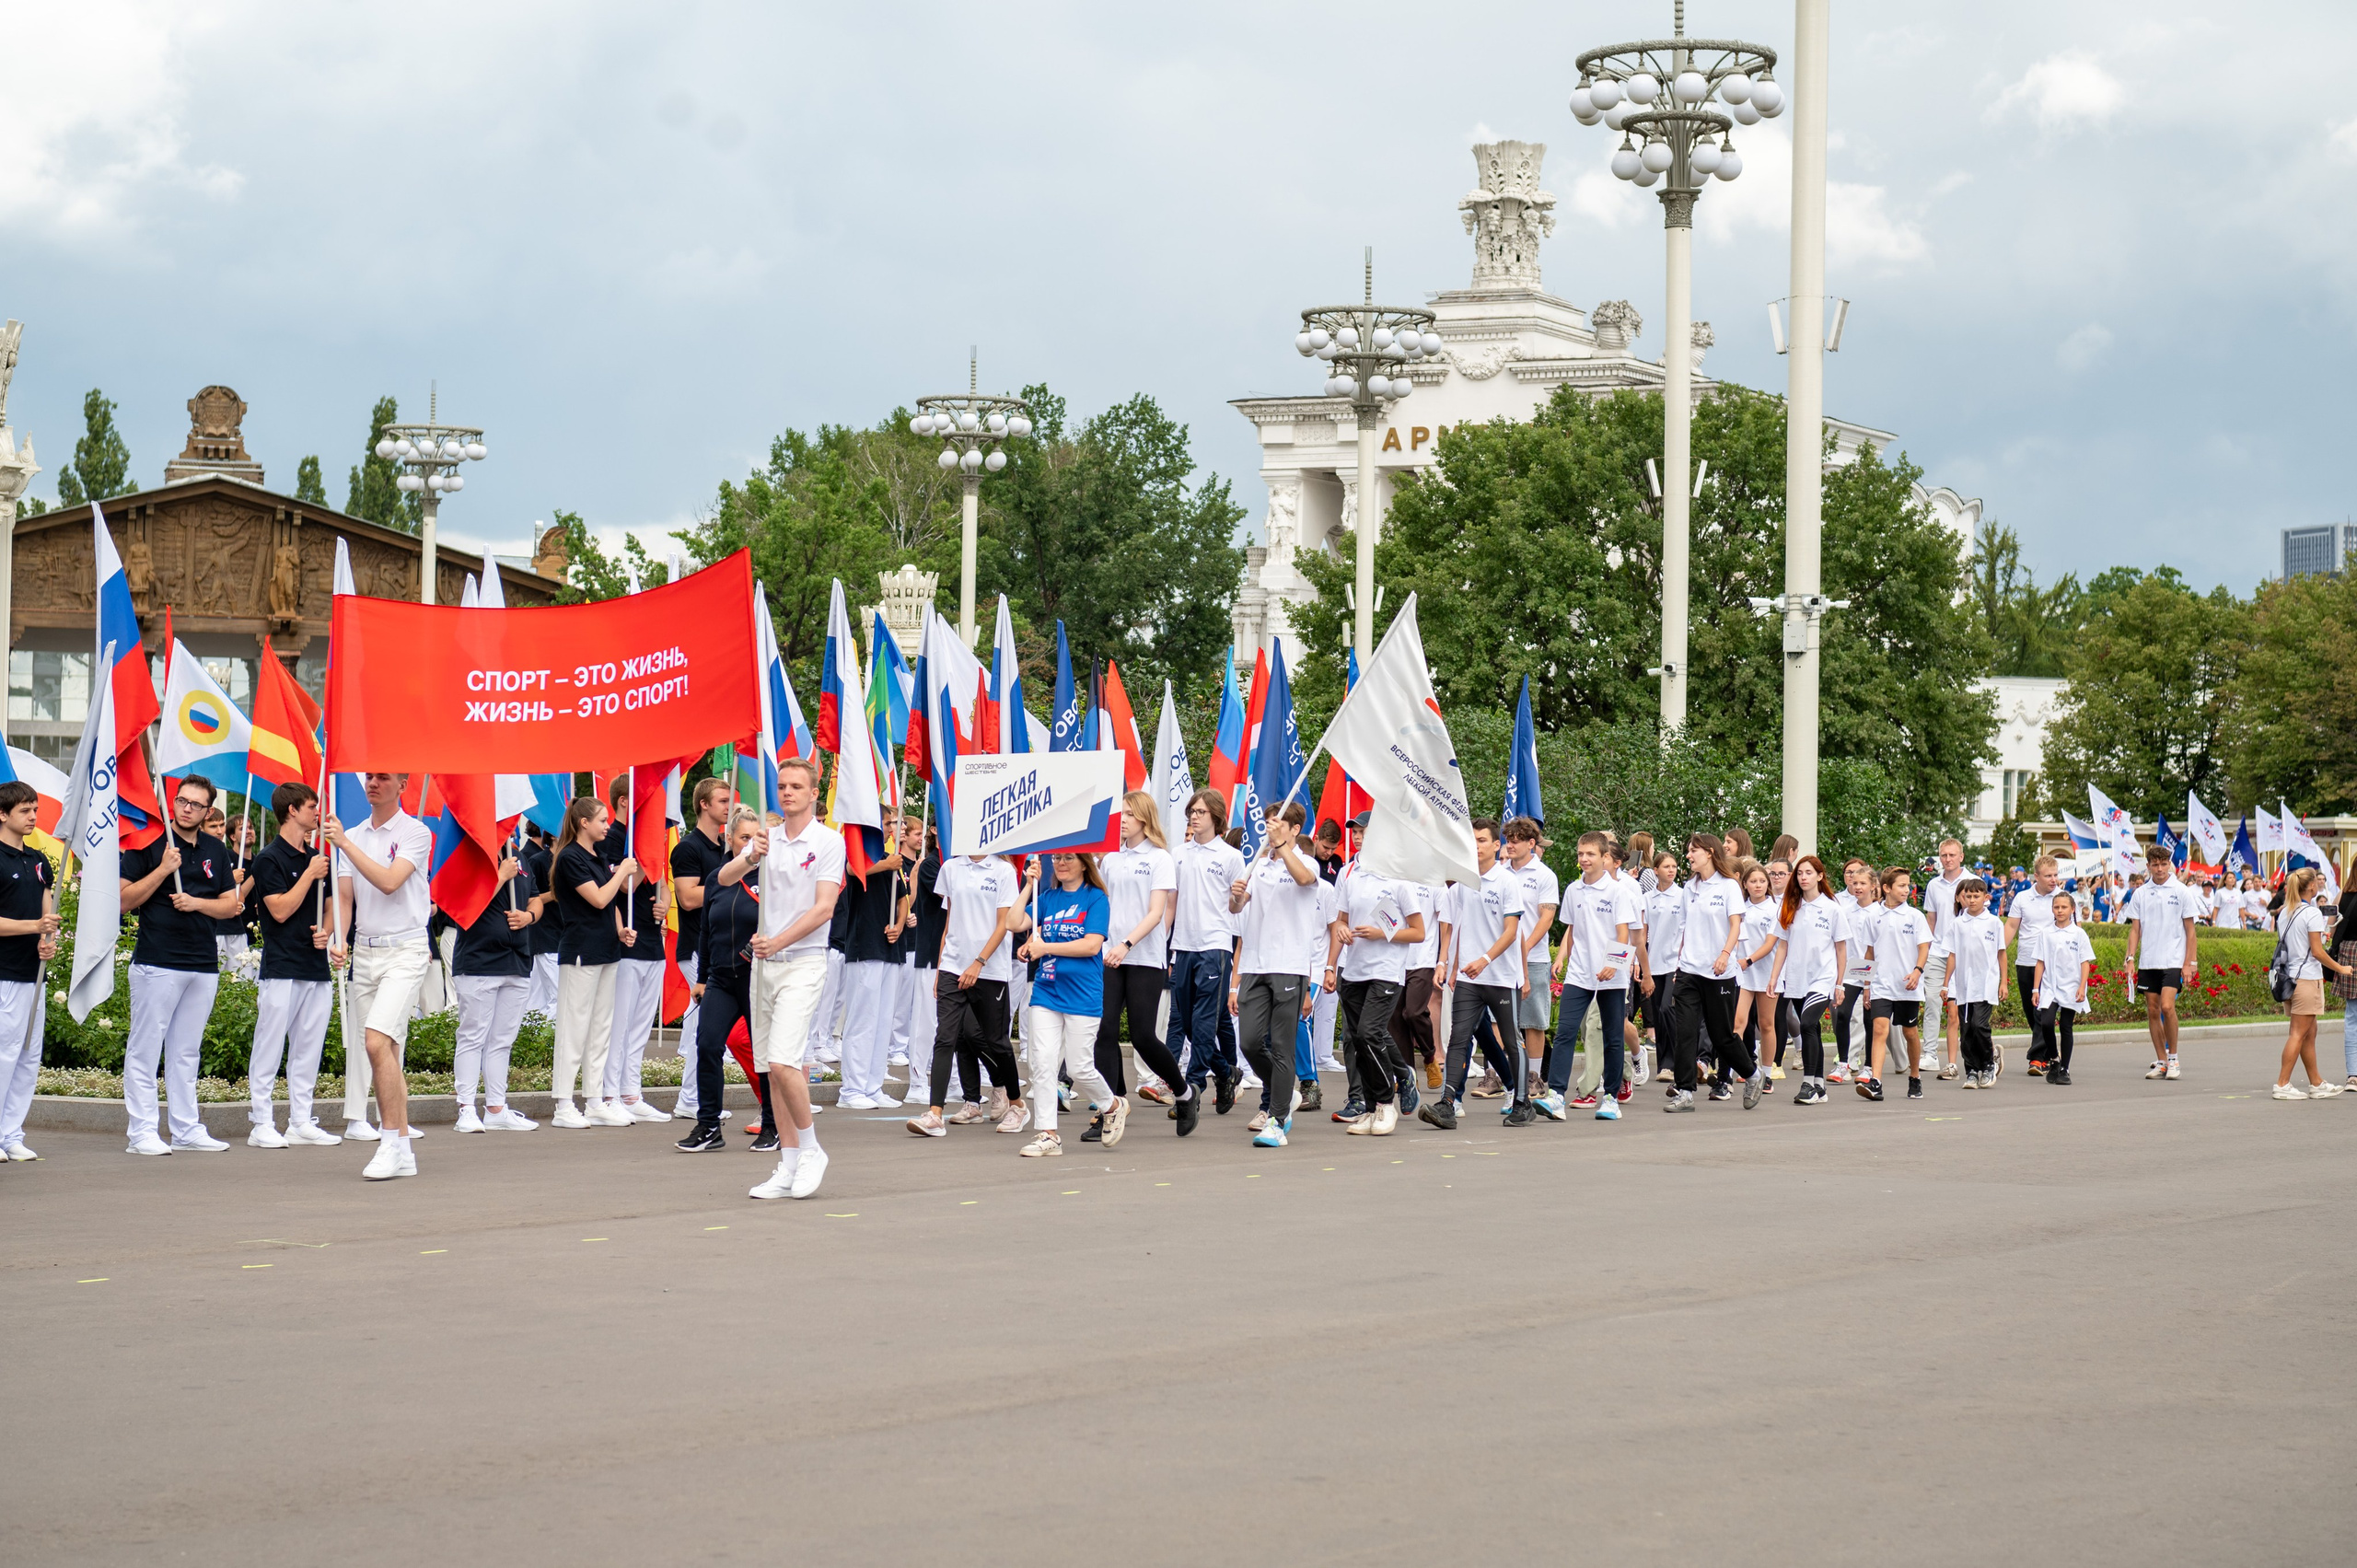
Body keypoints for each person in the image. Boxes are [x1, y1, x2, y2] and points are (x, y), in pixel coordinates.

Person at [718, 757, 841, 1198]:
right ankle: (787, 1163)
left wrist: (780, 941)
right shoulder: (766, 840)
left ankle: (811, 1150)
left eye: (796, 786)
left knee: (787, 1061)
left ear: (812, 793)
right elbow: (724, 877)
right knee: (770, 1066)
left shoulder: (828, 842)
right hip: (765, 967)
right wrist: (751, 853)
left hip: (803, 962)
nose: (787, 792)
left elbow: (824, 908)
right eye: (782, 786)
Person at [118, 774, 241, 1156]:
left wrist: (196, 903)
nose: (187, 808)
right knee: (146, 1047)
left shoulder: (215, 849)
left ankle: (186, 1128)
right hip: (158, 960)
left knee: (187, 1050)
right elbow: (122, 900)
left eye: (196, 805)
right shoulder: (149, 841)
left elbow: (230, 905)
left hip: (202, 962)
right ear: (173, 801)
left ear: (207, 811)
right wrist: (161, 868)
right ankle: (141, 1132)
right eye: (182, 801)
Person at [325, 772, 439, 1179]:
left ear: (402, 785)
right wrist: (339, 937)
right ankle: (404, 1149)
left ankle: (388, 1142)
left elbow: (390, 882)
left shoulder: (416, 832)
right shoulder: (351, 834)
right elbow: (345, 895)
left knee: (376, 1043)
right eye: (370, 777)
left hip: (406, 950)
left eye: (383, 778)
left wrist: (346, 844)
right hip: (367, 954)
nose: (373, 783)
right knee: (384, 1053)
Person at [905, 833, 1027, 1139]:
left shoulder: (1002, 870)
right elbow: (950, 921)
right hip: (952, 967)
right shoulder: (951, 868)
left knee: (996, 1042)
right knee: (945, 1037)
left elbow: (1004, 923)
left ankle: (1016, 1104)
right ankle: (935, 1114)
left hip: (990, 970)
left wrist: (979, 962)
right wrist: (942, 965)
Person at [242, 782, 340, 1148]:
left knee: (308, 1048)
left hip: (314, 965)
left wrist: (326, 932)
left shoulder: (316, 857)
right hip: (282, 965)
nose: (318, 812)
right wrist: (311, 876)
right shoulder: (270, 858)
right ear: (292, 811)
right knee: (270, 1043)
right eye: (312, 806)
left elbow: (330, 907)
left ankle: (300, 1121)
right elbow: (279, 909)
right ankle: (261, 1122)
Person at [1428, 818, 1536, 1128]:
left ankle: (1521, 1102)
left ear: (1496, 845)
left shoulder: (1506, 882)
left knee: (1511, 1042)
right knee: (1458, 1039)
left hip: (1501, 978)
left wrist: (1485, 959)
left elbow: (1512, 932)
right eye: (1472, 841)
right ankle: (1447, 1103)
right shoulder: (1462, 882)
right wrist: (1443, 961)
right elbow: (1450, 925)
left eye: (1482, 841)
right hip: (1468, 979)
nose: (1476, 846)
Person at [1089, 791, 1185, 1137]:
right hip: (1110, 955)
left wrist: (1127, 944)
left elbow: (1156, 914)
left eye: (1130, 814)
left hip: (1144, 956)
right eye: (1122, 813)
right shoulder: (1110, 858)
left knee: (1144, 1036)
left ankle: (1184, 1092)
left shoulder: (1160, 858)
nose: (1124, 819)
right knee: (1105, 1030)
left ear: (1144, 818)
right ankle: (1110, 1106)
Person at [1012, 850, 1120, 1156]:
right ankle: (1048, 1134)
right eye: (1056, 858)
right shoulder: (1046, 897)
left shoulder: (1096, 898)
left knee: (1080, 1067)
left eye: (1068, 858)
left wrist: (1045, 945)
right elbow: (1013, 921)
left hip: (1083, 993)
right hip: (1047, 990)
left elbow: (1091, 945)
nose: (1060, 863)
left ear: (1085, 864)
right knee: (1042, 1062)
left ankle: (1112, 1105)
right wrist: (1027, 885)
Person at [676, 807, 772, 1152]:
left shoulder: (769, 876)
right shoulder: (718, 877)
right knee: (708, 1044)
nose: (750, 844)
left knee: (762, 1050)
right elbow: (705, 929)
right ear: (729, 838)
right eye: (744, 838)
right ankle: (708, 1126)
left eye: (755, 838)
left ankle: (772, 1125)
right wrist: (701, 978)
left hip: (755, 976)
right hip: (719, 977)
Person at [1229, 801, 1321, 1142]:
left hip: (1289, 965)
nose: (1269, 828)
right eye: (1267, 823)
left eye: (1277, 823)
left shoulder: (1306, 861)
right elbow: (1237, 907)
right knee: (1251, 1042)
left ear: (1294, 829)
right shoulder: (1258, 863)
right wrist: (1236, 897)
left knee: (1282, 1046)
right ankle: (1284, 1092)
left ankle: (1278, 1120)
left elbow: (1304, 879)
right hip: (1255, 964)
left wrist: (1282, 846)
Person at [548, 795, 638, 1130]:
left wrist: (621, 930)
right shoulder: (570, 857)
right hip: (580, 952)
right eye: (602, 819)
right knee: (574, 1028)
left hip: (605, 950)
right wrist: (623, 872)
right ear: (583, 822)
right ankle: (562, 1104)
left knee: (601, 1029)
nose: (607, 825)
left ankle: (595, 1101)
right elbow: (600, 897)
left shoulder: (596, 855)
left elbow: (610, 904)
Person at [443, 838, 541, 1133]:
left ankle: (497, 1108)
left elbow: (535, 897)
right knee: (473, 1036)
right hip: (478, 961)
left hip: (517, 960)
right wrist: (499, 876)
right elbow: (463, 907)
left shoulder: (518, 856)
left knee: (502, 1040)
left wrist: (529, 915)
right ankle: (466, 1108)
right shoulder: (469, 854)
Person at [1328, 834, 1423, 1139]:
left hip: (1385, 971)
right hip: (1354, 970)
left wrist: (1383, 933)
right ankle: (1370, 1108)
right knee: (1357, 1040)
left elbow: (1419, 932)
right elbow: (1340, 920)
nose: (1357, 837)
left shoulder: (1399, 880)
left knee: (1370, 1033)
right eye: (1354, 832)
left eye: (1364, 833)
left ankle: (1386, 1102)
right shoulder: (1352, 875)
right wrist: (1339, 936)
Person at [1548, 830, 1639, 1121]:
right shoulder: (1574, 890)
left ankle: (1611, 1097)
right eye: (1580, 854)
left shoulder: (1618, 891)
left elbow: (1624, 933)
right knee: (1565, 1032)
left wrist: (1615, 963)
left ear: (1604, 857)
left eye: (1590, 854)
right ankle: (1555, 1097)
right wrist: (1562, 956)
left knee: (1613, 1037)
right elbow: (1572, 930)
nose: (1584, 859)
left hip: (1611, 975)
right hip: (1579, 974)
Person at [1665, 833, 1759, 1114]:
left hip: (1720, 972)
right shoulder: (1688, 888)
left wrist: (1725, 954)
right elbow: (1683, 928)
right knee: (1685, 1031)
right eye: (1688, 851)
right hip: (1689, 971)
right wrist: (1679, 965)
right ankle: (1684, 1092)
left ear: (1709, 852)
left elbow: (1735, 926)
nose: (1689, 856)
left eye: (1694, 851)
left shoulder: (1729, 886)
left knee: (1722, 1036)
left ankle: (1753, 1075)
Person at [1168, 789, 1246, 1119]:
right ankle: (1226, 1072)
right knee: (1185, 1023)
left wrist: (1238, 897)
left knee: (1203, 1023)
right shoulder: (1177, 853)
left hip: (1214, 946)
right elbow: (1169, 903)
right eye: (1192, 811)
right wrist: (1165, 946)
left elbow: (1236, 908)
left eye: (1201, 811)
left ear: (1216, 817)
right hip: (1183, 946)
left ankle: (1193, 1087)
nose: (1194, 816)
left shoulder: (1230, 856)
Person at [600, 778, 671, 1122]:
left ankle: (631, 1092)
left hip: (651, 943)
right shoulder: (611, 838)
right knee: (620, 1023)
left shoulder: (647, 841)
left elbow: (662, 885)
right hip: (624, 942)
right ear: (626, 802)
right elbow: (625, 885)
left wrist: (664, 903)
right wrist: (647, 854)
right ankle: (609, 1093)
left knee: (641, 1025)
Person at [668, 778, 732, 1126]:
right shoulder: (689, 847)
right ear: (704, 804)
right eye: (722, 800)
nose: (728, 806)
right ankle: (691, 1099)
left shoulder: (724, 846)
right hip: (695, 948)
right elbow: (688, 898)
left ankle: (695, 1098)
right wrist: (726, 881)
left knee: (710, 1030)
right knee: (702, 1031)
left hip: (720, 948)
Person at [831, 820, 909, 1111]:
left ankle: (872, 1086)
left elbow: (903, 899)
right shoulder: (860, 854)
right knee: (863, 1020)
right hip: (864, 946)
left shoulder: (891, 859)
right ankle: (851, 1089)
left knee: (883, 1021)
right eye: (888, 823)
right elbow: (854, 870)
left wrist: (900, 925)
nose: (893, 828)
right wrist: (888, 864)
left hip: (891, 947)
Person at [0, 781, 58, 1161]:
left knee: (27, 1055)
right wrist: (33, 928)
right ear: (3, 814)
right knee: (4, 1053)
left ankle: (11, 1134)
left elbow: (46, 912)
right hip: (3, 972)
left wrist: (48, 936)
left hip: (33, 972)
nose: (33, 816)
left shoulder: (39, 860)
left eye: (35, 809)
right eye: (25, 810)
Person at [2272, 868, 2353, 1099]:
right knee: (2299, 1033)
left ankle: (2316, 1082)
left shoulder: (2286, 912)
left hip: (2291, 977)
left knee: (2309, 1032)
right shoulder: (2311, 913)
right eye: (2316, 882)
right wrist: (2340, 968)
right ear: (2311, 887)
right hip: (2308, 978)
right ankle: (2282, 1083)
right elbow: (2317, 952)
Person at [1774, 854, 1847, 1107]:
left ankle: (1808, 1084)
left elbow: (1840, 949)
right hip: (1796, 978)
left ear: (1820, 875)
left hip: (1823, 978)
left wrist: (1839, 983)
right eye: (1800, 873)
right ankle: (1819, 1085)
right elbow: (1782, 945)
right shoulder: (1790, 905)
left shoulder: (1832, 908)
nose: (1803, 877)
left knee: (1806, 1024)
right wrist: (1774, 978)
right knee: (1812, 1028)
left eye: (1808, 873)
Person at [2122, 842, 2200, 1082]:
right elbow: (2135, 930)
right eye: (2155, 865)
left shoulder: (2181, 891)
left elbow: (2191, 931)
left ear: (2169, 865)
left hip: (2173, 960)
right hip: (2148, 961)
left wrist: (2190, 963)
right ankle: (2162, 1062)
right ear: (2148, 866)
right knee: (2153, 1011)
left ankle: (2173, 1058)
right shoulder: (2141, 893)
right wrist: (2130, 957)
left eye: (2163, 864)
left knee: (2167, 1007)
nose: (2159, 869)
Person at [1860, 865, 1933, 1102]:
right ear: (1886, 888)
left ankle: (1914, 1077)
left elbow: (1924, 947)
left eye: (1908, 885)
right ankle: (1876, 1082)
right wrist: (1866, 986)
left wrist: (1917, 971)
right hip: (1881, 986)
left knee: (1909, 1033)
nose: (1907, 889)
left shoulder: (1915, 916)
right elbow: (1868, 953)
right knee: (1880, 1029)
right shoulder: (1873, 916)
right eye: (1901, 885)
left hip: (1907, 987)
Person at [1501, 817, 1559, 1105]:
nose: (1509, 845)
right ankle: (1497, 1076)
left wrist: (1524, 947)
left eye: (1516, 840)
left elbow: (1546, 917)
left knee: (1533, 1021)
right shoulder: (1499, 873)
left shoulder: (1544, 875)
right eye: (1507, 839)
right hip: (1499, 959)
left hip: (1533, 958)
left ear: (1531, 843)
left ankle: (1534, 1078)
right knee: (1499, 1021)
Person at [1938, 877, 2008, 1090]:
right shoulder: (1958, 924)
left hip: (1986, 983)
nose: (1971, 900)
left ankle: (1988, 1065)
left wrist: (2003, 982)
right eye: (1968, 896)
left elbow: (2001, 953)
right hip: (1963, 986)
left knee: (1980, 1025)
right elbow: (1953, 954)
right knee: (1967, 1030)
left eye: (1976, 896)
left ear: (1986, 897)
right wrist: (1945, 983)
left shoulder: (1994, 923)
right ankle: (1970, 1071)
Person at [2005, 855, 2063, 1075]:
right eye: (2048, 876)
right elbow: (2011, 926)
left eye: (2056, 875)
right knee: (2030, 1011)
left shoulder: (2062, 897)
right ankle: (2049, 1053)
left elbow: (2072, 929)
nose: (2053, 880)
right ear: (2036, 876)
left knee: (2042, 1010)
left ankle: (2037, 1059)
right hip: (2026, 960)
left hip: (2051, 964)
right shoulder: (2022, 898)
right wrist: (1997, 951)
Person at [1729, 860, 1782, 1100]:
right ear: (1745, 884)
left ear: (1767, 883)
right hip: (1742, 973)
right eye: (1753, 881)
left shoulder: (1776, 909)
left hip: (1767, 972)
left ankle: (1768, 1073)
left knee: (1766, 1024)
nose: (1758, 885)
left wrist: (1748, 960)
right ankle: (1732, 1072)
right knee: (1737, 1023)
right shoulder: (1740, 908)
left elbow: (1770, 943)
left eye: (1762, 881)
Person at [2032, 890, 2096, 1086]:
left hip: (2071, 987)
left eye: (2064, 907)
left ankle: (2065, 1069)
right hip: (2050, 987)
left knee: (2066, 1026)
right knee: (2046, 1023)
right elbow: (2040, 962)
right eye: (2056, 907)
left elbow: (2085, 962)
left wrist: (2082, 987)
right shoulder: (2046, 933)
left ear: (2072, 909)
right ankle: (2054, 1059)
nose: (2060, 911)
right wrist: (2036, 989)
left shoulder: (2078, 933)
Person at [1918, 838, 1968, 1078]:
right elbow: (1931, 920)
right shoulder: (1934, 885)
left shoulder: (1971, 882)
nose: (1947, 859)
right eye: (1943, 855)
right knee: (1932, 1000)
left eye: (1951, 855)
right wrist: (1925, 950)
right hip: (1938, 952)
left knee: (1961, 1009)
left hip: (1964, 955)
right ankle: (1929, 1053)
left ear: (1961, 856)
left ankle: (1975, 1054)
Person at [1829, 858, 1878, 1084]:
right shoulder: (1845, 910)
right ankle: (1843, 1064)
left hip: (1874, 970)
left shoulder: (1879, 912)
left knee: (1870, 1019)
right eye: (1854, 882)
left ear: (1873, 886)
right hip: (1853, 968)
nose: (1857, 886)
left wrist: (1869, 983)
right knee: (1841, 1014)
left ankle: (1869, 1067)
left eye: (1862, 883)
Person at [1640, 850, 1683, 1089]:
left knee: (1668, 1008)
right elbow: (1642, 933)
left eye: (1674, 866)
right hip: (1653, 962)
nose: (1671, 870)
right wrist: (1639, 962)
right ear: (1655, 870)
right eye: (1666, 866)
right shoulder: (1648, 898)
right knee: (1657, 1014)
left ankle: (1675, 1061)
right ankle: (1664, 1066)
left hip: (1675, 963)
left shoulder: (1683, 896)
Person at [521, 825, 561, 1016]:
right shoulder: (537, 861)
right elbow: (527, 899)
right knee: (558, 997)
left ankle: (532, 1040)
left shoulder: (567, 859)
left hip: (564, 935)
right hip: (545, 936)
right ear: (552, 836)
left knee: (536, 1000)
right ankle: (550, 1042)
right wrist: (555, 894)